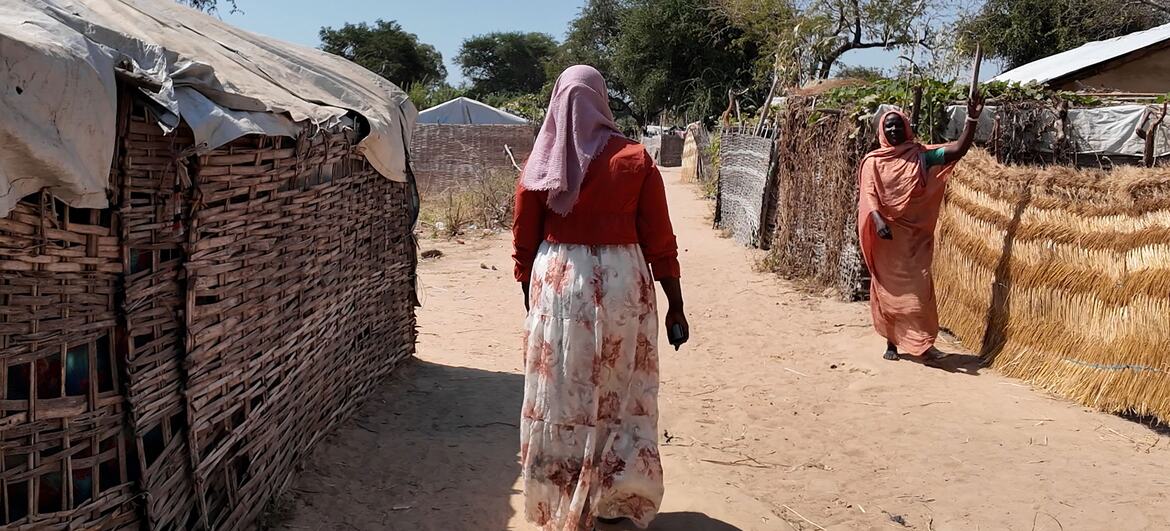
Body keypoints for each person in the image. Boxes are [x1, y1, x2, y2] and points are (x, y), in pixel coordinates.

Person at [512, 65, 690, 530]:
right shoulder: (634, 157)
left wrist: (530, 296)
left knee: (562, 394)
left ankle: (566, 493)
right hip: (622, 286)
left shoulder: (542, 160)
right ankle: (614, 497)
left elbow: (523, 239)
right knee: (621, 385)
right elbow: (660, 239)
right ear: (602, 99)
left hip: (558, 285)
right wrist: (676, 303)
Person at [857, 91, 983, 362]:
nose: (893, 129)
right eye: (888, 125)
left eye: (898, 124)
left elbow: (957, 150)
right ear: (882, 129)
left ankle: (923, 343)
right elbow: (869, 195)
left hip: (915, 238)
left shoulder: (922, 157)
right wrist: (878, 220)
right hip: (886, 238)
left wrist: (972, 118)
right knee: (887, 289)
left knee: (919, 290)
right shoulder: (873, 162)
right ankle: (892, 342)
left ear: (907, 128)